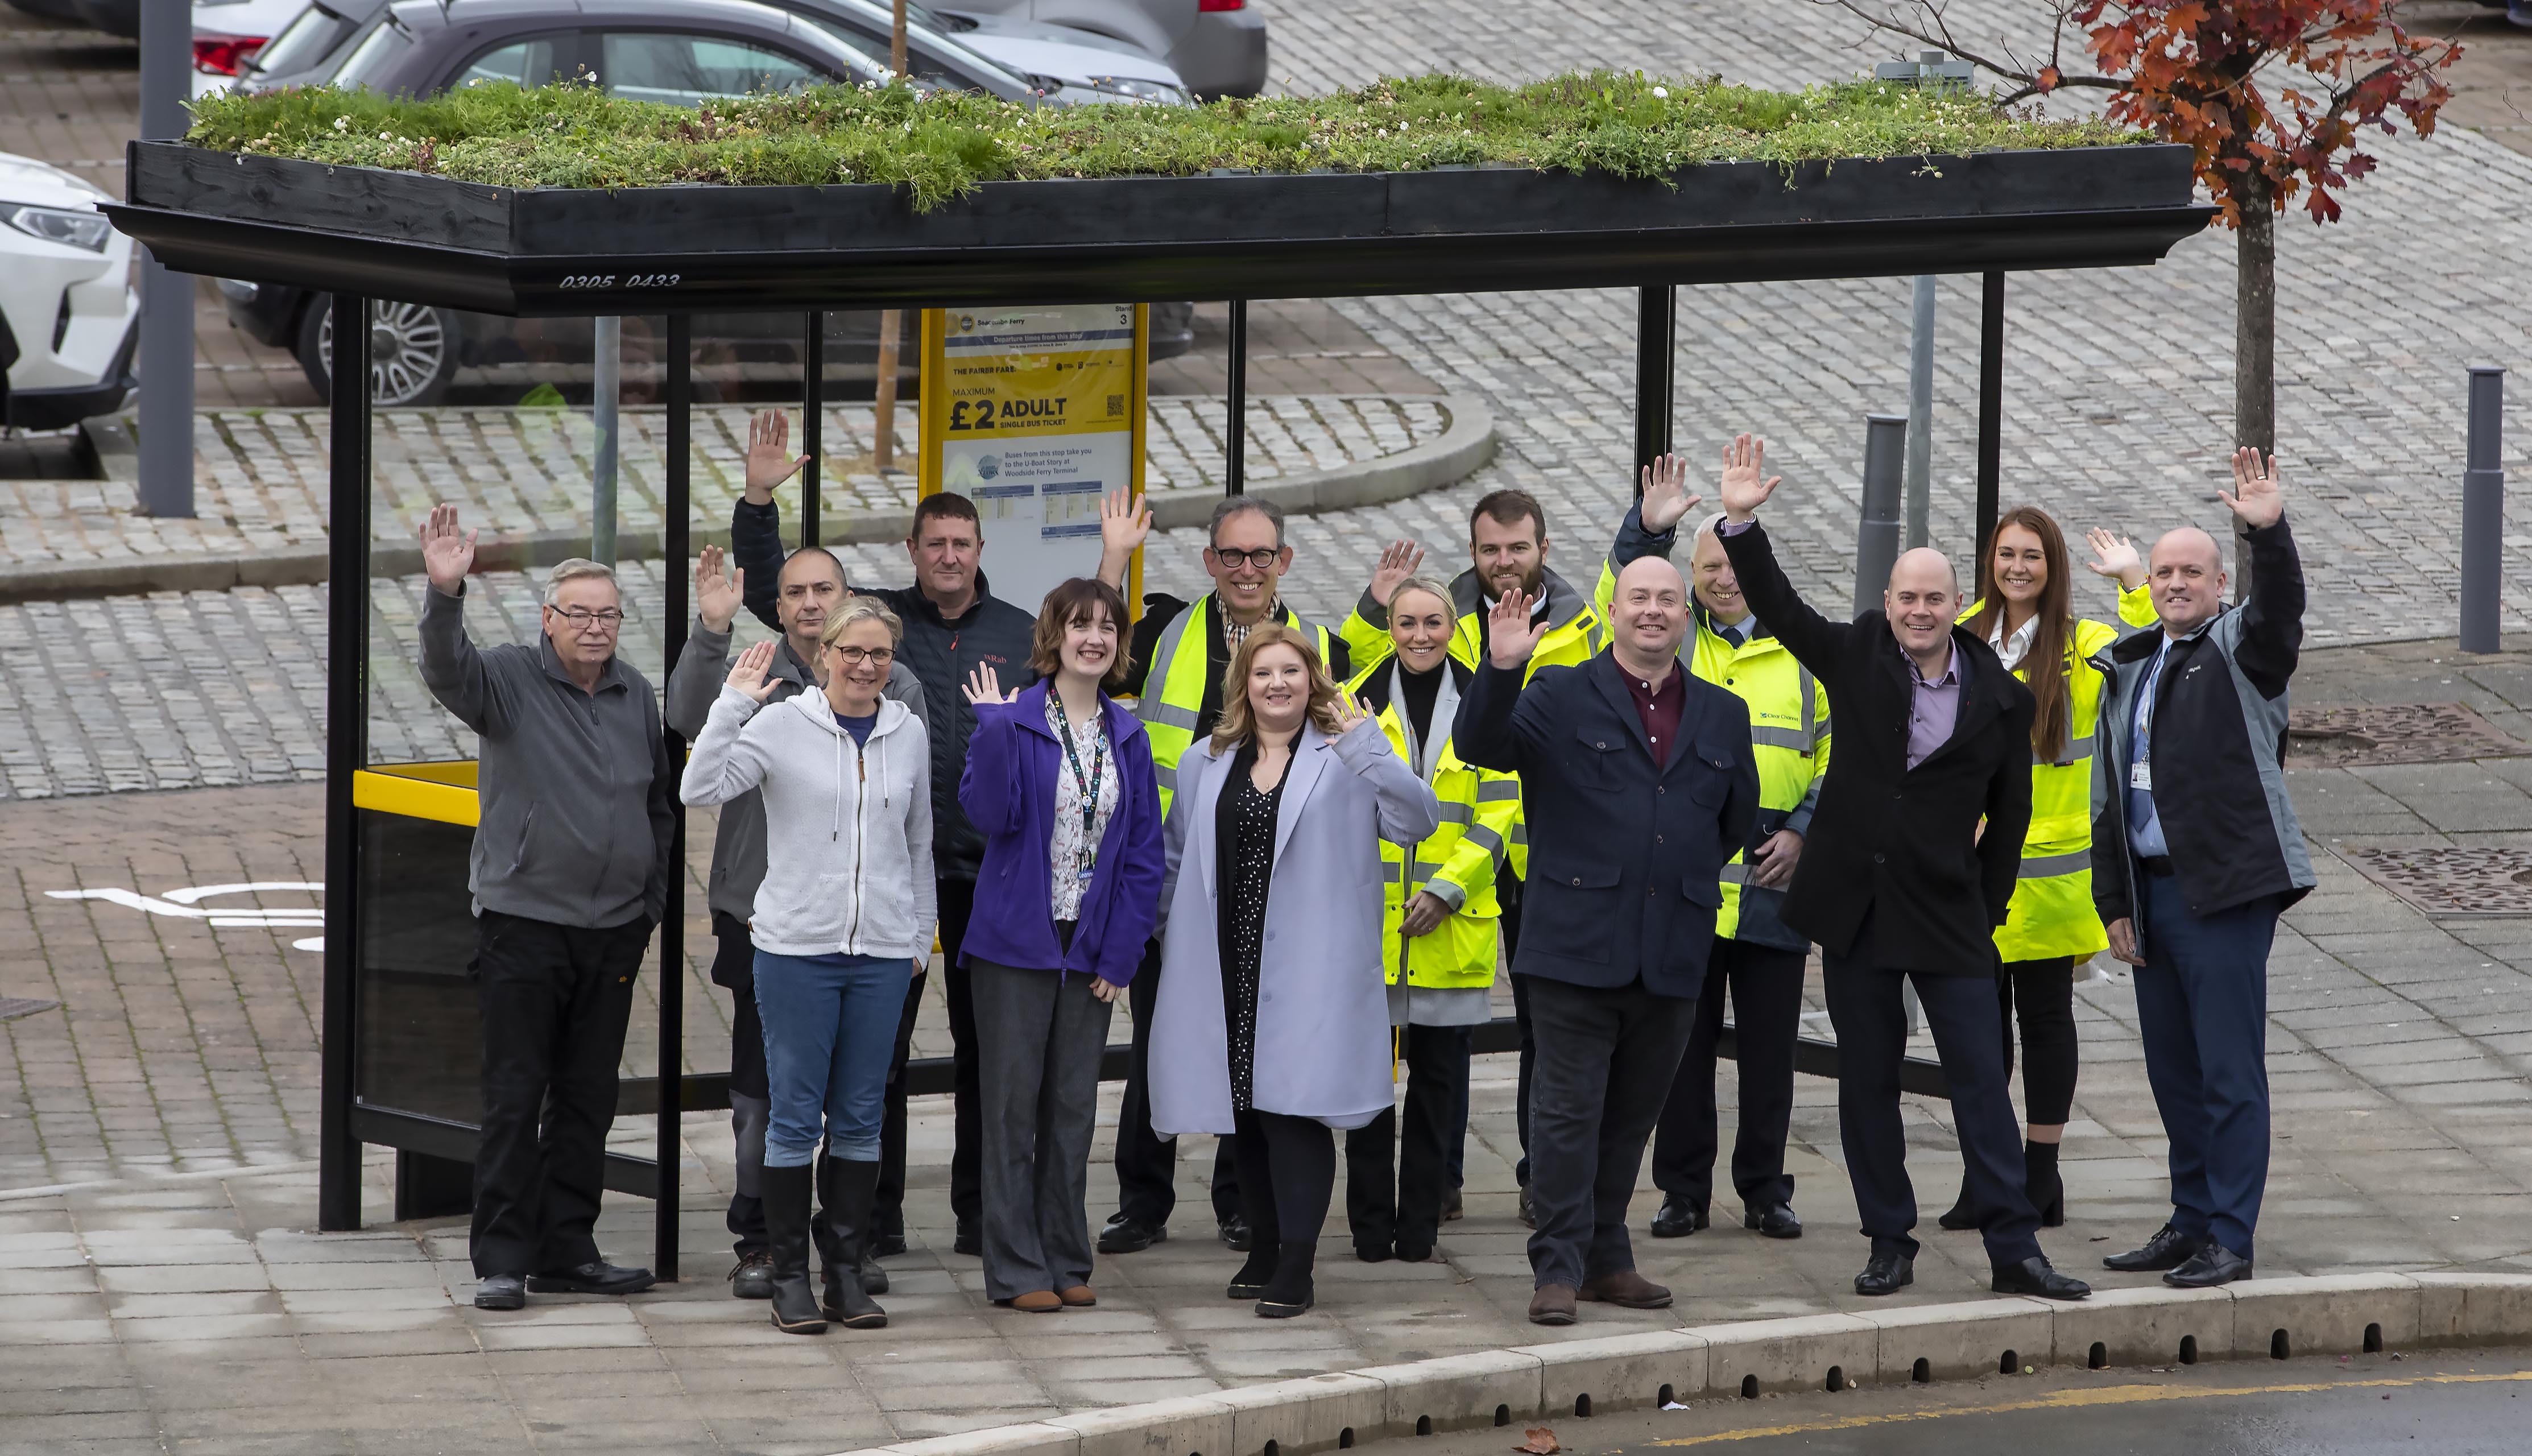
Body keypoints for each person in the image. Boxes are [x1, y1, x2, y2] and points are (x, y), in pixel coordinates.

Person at [1708, 434, 2090, 1304]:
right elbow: (1781, 605)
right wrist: (1740, 522)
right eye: (1906, 597)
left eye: (1934, 599)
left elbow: (2013, 823)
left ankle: (2013, 1247)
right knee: (1867, 1083)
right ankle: (1890, 1238)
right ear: (1888, 601)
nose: (1919, 610)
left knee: (1980, 1084)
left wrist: (1987, 909)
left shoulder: (2001, 698)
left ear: (1960, 604)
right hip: (1855, 909)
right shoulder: (1855, 655)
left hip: (1949, 913)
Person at [733, 410, 1034, 1260]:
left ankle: (982, 1215)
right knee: (881, 1058)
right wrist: (760, 503)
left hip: (986, 871)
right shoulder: (877, 626)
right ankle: (879, 1219)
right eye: (934, 542)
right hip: (885, 877)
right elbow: (781, 594)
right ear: (912, 549)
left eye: (961, 543)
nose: (948, 555)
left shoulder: (1017, 632)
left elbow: (1091, 674)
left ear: (978, 550)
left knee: (988, 1050)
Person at [1455, 555, 1759, 1326]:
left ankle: (1606, 1256)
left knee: (1631, 1113)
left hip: (1672, 946)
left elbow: (1731, 821)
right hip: (1573, 946)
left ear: (1685, 616)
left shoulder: (1722, 714)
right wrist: (1501, 666)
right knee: (1566, 1112)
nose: (1652, 612)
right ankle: (1556, 1265)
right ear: (1614, 611)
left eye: (1667, 600)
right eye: (1638, 599)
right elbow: (1481, 745)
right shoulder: (1558, 692)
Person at [414, 505, 673, 1313]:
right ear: (547, 621)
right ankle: (501, 1256)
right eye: (579, 614)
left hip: (614, 931)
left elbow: (658, 805)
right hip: (525, 925)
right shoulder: (508, 681)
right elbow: (444, 669)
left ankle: (569, 1247)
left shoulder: (636, 696)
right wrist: (445, 592)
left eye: (608, 615)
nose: (596, 628)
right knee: (515, 1094)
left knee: (587, 1098)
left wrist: (649, 903)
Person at [1148, 626, 1439, 1317]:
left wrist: (1367, 746)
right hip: (1226, 957)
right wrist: (1167, 935)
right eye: (1262, 673)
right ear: (1242, 685)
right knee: (1243, 1110)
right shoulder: (1205, 761)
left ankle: (1298, 1265)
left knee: (1294, 1113)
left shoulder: (1348, 754)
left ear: (1314, 680)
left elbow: (1417, 819)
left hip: (1313, 964)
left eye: (1291, 671)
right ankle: (1265, 1244)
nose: (1277, 684)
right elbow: (1176, 855)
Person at [670, 518, 926, 1301]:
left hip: (880, 953)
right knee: (791, 1117)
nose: (865, 665)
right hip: (794, 951)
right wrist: (732, 703)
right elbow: (698, 786)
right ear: (822, 655)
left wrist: (918, 937)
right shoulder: (783, 722)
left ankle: (846, 1272)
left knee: (859, 1119)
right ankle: (789, 1275)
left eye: (878, 654)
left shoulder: (906, 730)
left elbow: (917, 843)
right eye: (851, 652)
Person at [1091, 491, 1352, 1255]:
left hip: (1271, 882)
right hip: (1167, 870)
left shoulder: (1317, 646)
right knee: (1159, 1040)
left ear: (1284, 562)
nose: (1245, 568)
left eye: (1260, 555)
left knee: (1255, 1044)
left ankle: (1243, 1202)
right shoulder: (1172, 633)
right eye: (1231, 555)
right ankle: (1143, 1202)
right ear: (1210, 561)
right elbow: (1096, 653)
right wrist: (1113, 558)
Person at [1339, 492, 1603, 1228]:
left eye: (1516, 548)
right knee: (1410, 1060)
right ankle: (1438, 1188)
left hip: (1539, 857)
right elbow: (1356, 664)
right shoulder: (1444, 626)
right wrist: (1373, 600)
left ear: (1542, 547)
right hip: (1432, 887)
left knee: (1541, 1031)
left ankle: (1535, 1176)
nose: (1503, 562)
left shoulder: (1583, 626)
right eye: (1489, 550)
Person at [2094, 450, 2310, 1290]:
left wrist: (2271, 533)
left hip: (2222, 894)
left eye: (2193, 572)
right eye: (2163, 572)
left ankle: (2230, 1234)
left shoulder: (2239, 653)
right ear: (2146, 583)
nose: (2177, 583)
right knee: (2173, 1073)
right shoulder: (2133, 664)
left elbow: (2280, 617)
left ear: (2221, 584)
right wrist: (2113, 899)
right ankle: (2189, 1219)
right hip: (2149, 896)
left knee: (2228, 1073)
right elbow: (2111, 791)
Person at [1605, 461, 1831, 1245]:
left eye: (1733, 566)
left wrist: (1803, 828)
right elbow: (1621, 588)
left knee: (1772, 1052)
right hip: (1688, 883)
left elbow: (1840, 755)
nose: (1723, 580)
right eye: (1707, 569)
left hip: (1774, 880)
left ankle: (1766, 1189)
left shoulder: (1804, 651)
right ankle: (1683, 1191)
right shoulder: (1671, 637)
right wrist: (1647, 530)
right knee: (1680, 1049)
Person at [1928, 511, 2155, 1231]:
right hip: (1970, 871)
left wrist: (2134, 582)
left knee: (2046, 1018)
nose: (2018, 567)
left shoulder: (2082, 644)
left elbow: (2148, 654)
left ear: (2053, 567)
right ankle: (1985, 1173)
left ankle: (2040, 1173)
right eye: (2006, 554)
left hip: (2053, 876)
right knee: (1978, 1030)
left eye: (2032, 556)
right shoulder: (1963, 633)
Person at [954, 578, 1165, 1312]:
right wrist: (989, 730)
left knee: (1072, 1109)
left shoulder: (1126, 734)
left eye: (1108, 627)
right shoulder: (1013, 720)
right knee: (1012, 1109)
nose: (1095, 638)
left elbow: (1143, 854)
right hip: (1016, 944)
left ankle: (1066, 1256)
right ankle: (1014, 1268)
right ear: (1054, 635)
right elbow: (989, 814)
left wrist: (1121, 955)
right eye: (1081, 625)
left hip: (1091, 948)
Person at [1340, 576, 1522, 1265]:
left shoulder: (1486, 697)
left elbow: (1502, 808)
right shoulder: (1352, 699)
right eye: (1408, 623)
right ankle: (1367, 1227)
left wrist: (1447, 888)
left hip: (1451, 924)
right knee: (1366, 1086)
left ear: (1454, 627)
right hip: (1373, 928)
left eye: (1434, 623)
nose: (1421, 636)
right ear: (1390, 627)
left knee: (1438, 1090)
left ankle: (1419, 1228)